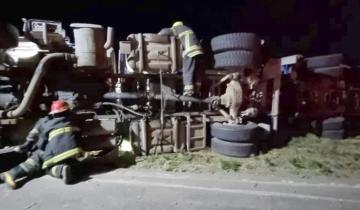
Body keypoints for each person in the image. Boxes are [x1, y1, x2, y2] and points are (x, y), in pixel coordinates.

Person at [0, 100, 82, 189]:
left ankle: (10, 174)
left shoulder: (43, 121)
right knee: (51, 167)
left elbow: (32, 137)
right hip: (73, 152)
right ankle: (60, 170)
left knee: (34, 162)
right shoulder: (73, 119)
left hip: (49, 153)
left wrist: (25, 147)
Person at [158, 21, 203, 98]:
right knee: (195, 71)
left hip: (190, 51)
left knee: (187, 69)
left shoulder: (177, 28)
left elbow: (164, 32)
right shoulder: (187, 29)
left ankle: (188, 90)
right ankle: (197, 89)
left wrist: (157, 35)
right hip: (199, 51)